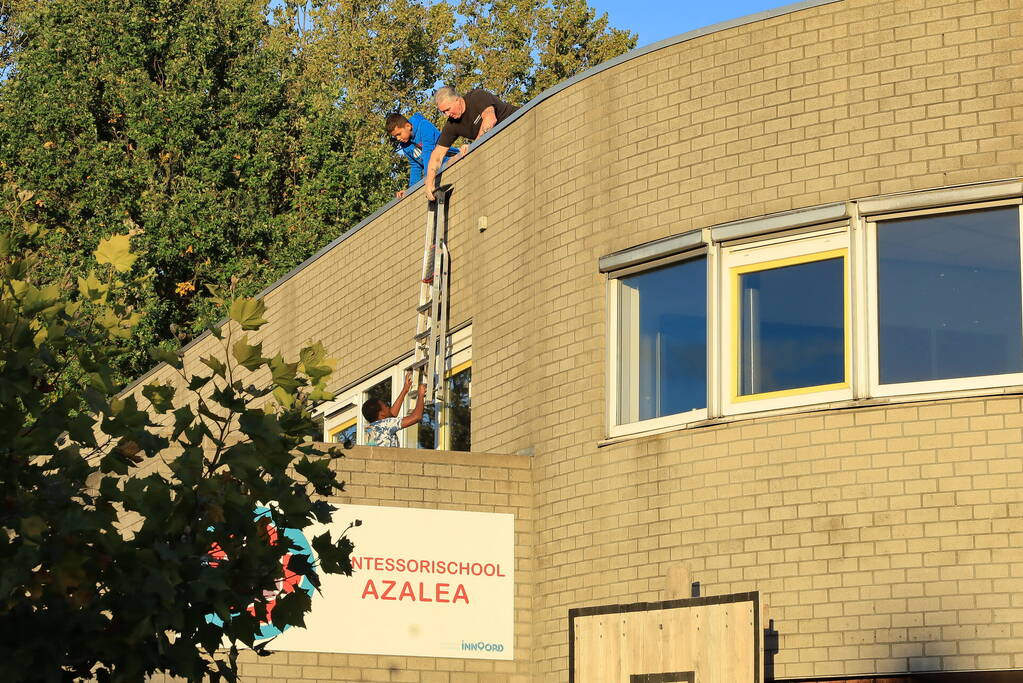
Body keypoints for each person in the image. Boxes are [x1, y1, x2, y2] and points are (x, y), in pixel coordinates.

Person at [424, 86, 519, 200]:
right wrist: (429, 183)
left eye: (448, 109)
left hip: (518, 126)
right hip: (503, 147)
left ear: (458, 100)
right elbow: (437, 154)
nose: (447, 115)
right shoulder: (452, 125)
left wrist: (472, 146)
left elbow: (490, 119)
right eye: (443, 112)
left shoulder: (477, 96)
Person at [385, 112, 460, 199]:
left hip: (450, 161)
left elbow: (428, 153)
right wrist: (411, 191)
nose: (398, 138)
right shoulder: (404, 144)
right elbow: (415, 166)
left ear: (408, 126)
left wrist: (428, 179)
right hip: (435, 173)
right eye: (395, 137)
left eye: (399, 134)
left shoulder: (424, 126)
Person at [362, 370, 427, 447]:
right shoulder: (385, 424)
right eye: (385, 406)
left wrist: (405, 389)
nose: (388, 407)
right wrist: (420, 395)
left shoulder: (370, 430)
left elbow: (391, 415)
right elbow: (417, 417)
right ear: (381, 413)